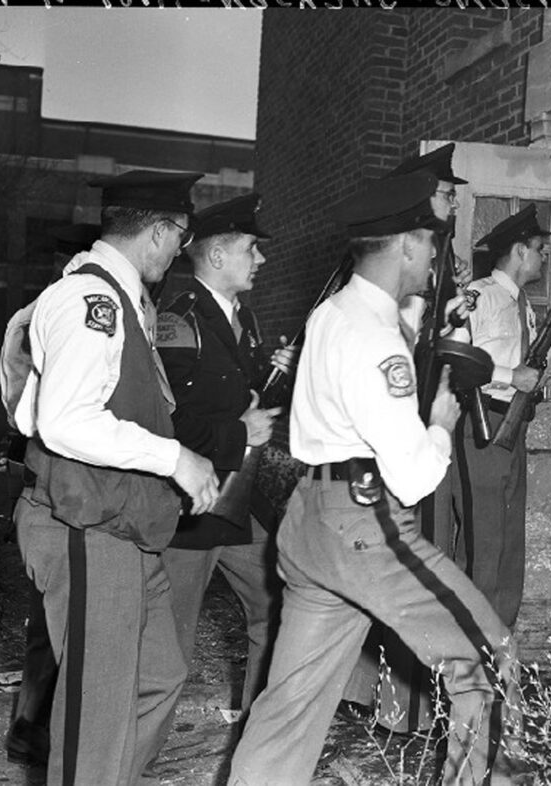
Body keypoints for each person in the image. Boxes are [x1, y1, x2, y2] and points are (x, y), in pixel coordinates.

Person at [227, 172, 517, 785]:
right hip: (367, 522)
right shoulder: (377, 339)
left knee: (289, 710)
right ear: (409, 244)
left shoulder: (334, 314)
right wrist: (439, 424)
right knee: (488, 665)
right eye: (431, 243)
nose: (436, 256)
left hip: (310, 520)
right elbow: (412, 478)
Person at [10, 169, 220, 785]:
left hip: (117, 524)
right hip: (83, 527)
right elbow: (65, 421)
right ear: (159, 232)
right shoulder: (89, 302)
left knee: (160, 676)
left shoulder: (123, 300)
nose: (179, 252)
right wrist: (175, 458)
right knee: (95, 718)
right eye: (180, 239)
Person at [340, 142, 474, 734]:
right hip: (397, 430)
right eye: (446, 194)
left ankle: (409, 704)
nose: (451, 204)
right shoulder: (397, 262)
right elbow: (396, 340)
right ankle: (389, 703)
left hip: (420, 423)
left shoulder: (444, 260)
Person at [156, 192, 287, 717]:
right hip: (190, 507)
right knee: (167, 647)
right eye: (252, 249)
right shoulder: (177, 319)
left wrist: (276, 373)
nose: (261, 259)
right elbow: (166, 419)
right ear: (216, 257)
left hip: (236, 502)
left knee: (276, 607)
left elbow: (243, 394)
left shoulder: (244, 320)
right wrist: (239, 432)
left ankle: (259, 730)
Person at [1, 222, 101, 768]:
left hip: (50, 480)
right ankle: (36, 727)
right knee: (56, 622)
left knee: (49, 621)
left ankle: (32, 724)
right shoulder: (52, 318)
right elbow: (26, 411)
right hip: (55, 483)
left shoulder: (37, 317)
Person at [457, 204, 551, 629]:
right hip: (485, 423)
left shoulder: (522, 304)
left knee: (509, 544)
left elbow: (537, 374)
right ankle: (469, 642)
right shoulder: (480, 296)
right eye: (540, 249)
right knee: (484, 542)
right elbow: (457, 361)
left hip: (514, 427)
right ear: (520, 251)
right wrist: (511, 374)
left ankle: (498, 638)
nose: (544, 257)